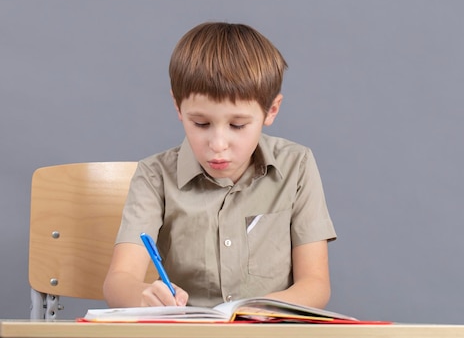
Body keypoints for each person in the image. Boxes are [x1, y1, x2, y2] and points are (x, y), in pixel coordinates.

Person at [103, 22, 336, 309]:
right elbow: (119, 281)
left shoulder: (296, 166)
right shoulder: (155, 176)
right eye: (201, 123)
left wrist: (258, 310)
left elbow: (315, 285)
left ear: (271, 111)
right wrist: (143, 296)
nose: (218, 144)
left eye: (237, 125)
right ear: (178, 108)